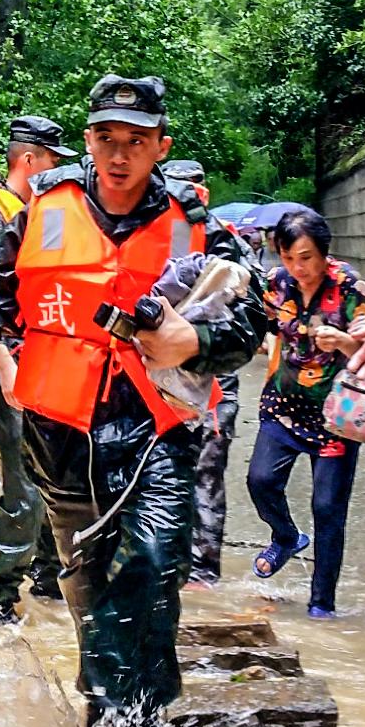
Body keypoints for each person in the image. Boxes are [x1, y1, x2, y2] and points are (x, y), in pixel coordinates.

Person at [0, 75, 266, 727]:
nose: (118, 155)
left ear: (161, 145)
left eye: (135, 141)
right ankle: (126, 715)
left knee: (153, 559)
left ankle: (115, 719)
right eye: (104, 138)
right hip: (59, 429)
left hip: (156, 426)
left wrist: (194, 338)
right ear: (88, 138)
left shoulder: (199, 223)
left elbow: (249, 325)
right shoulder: (38, 206)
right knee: (88, 585)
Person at [0, 117, 75, 625]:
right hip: (3, 367)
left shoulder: (42, 216)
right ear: (28, 161)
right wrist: (7, 365)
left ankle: (51, 580)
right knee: (23, 487)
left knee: (52, 476)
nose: (59, 170)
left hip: (44, 365)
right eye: (53, 160)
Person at [246, 210, 365, 619]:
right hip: (283, 403)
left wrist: (346, 342)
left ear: (324, 253)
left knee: (328, 508)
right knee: (260, 480)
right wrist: (266, 342)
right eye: (289, 258)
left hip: (335, 414)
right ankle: (285, 536)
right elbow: (263, 325)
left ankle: (322, 603)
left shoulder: (351, 288)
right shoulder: (275, 284)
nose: (298, 269)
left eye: (306, 258)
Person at [163, 160, 243, 586]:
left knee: (206, 473)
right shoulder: (155, 234)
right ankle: (174, 566)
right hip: (159, 384)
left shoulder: (222, 242)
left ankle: (203, 571)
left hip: (211, 382)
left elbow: (245, 319)